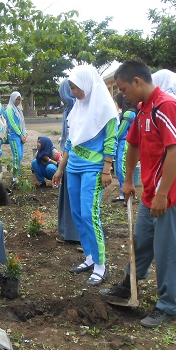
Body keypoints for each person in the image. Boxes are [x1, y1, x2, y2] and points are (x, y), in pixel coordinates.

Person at [101, 59, 176, 328]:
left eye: (122, 88)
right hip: (151, 193)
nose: (122, 94)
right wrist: (129, 180)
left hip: (171, 195)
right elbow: (132, 145)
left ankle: (168, 306)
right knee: (140, 240)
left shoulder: (166, 106)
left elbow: (175, 150)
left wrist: (163, 194)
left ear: (137, 82)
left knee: (167, 250)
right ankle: (129, 283)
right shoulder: (143, 110)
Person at [51, 64, 118, 287]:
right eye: (70, 87)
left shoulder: (106, 109)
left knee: (90, 214)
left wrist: (107, 168)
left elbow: (111, 140)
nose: (73, 92)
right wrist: (60, 168)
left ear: (87, 84)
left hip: (93, 168)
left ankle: (100, 264)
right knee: (78, 213)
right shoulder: (77, 108)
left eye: (76, 87)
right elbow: (70, 141)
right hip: (74, 167)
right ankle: (89, 257)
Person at [56, 79, 80, 244]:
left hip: (74, 160)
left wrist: (62, 165)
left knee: (74, 199)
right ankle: (67, 231)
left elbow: (72, 142)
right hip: (67, 158)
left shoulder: (77, 111)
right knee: (68, 197)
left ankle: (74, 234)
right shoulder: (69, 110)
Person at [112, 91, 137, 203]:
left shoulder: (128, 114)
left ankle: (126, 194)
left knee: (121, 169)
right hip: (122, 144)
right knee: (119, 169)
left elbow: (121, 132)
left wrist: (111, 138)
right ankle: (123, 194)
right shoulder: (127, 113)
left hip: (124, 144)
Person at [4, 91, 28, 185]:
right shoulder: (9, 109)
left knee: (21, 156)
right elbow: (12, 124)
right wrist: (20, 134)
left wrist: (25, 134)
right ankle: (14, 177)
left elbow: (22, 123)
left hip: (21, 136)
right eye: (16, 99)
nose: (18, 101)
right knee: (17, 156)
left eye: (19, 99)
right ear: (13, 99)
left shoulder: (18, 109)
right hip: (14, 136)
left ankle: (18, 175)